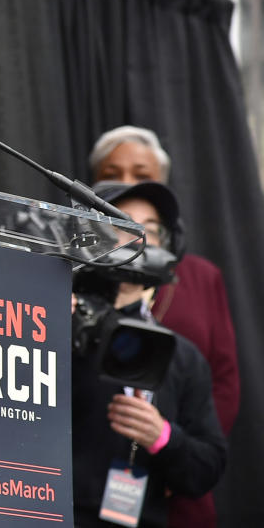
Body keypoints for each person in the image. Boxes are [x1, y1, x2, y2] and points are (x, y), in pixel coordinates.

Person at [89, 125, 239, 526]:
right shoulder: (56, 323)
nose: (137, 239)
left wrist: (164, 438)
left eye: (149, 230)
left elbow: (208, 461)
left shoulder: (184, 357)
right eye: (123, 225)